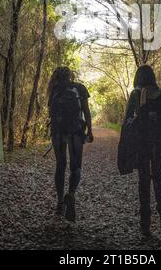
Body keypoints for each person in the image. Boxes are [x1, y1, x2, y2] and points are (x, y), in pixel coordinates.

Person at [123, 65, 161, 237]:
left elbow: (127, 121)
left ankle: (145, 224)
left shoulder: (136, 95)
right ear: (152, 77)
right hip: (159, 142)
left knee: (144, 180)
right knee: (158, 176)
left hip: (142, 142)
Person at [48, 67, 93, 222]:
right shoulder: (79, 88)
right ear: (70, 76)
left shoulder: (54, 90)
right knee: (76, 167)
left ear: (56, 77)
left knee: (60, 165)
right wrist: (90, 131)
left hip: (58, 132)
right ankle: (71, 194)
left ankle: (60, 202)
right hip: (75, 131)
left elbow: (51, 114)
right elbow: (86, 111)